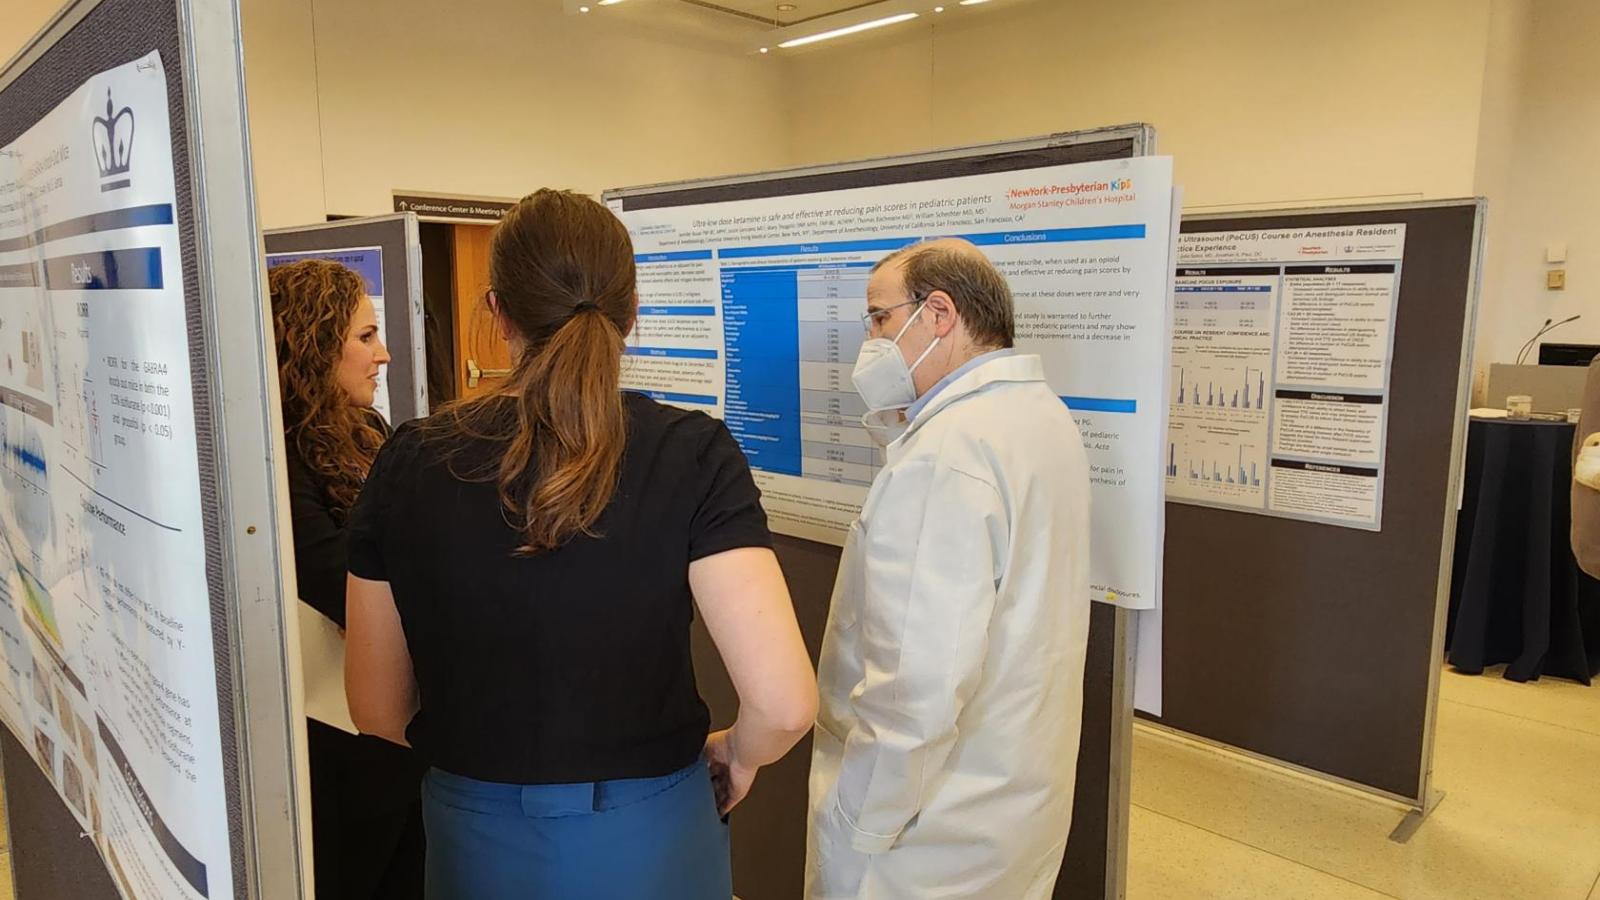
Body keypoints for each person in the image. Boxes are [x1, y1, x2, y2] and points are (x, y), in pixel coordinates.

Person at [342, 189, 817, 899]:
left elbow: (377, 709)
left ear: (496, 310)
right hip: (654, 834)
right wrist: (739, 757)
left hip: (476, 837)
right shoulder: (691, 453)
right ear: (631, 312)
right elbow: (782, 704)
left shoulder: (410, 459)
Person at [806, 239, 1092, 898]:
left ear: (938, 313)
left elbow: (916, 685)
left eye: (879, 319)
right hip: (1009, 804)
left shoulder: (947, 454)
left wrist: (856, 818)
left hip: (923, 836)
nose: (870, 341)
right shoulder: (1038, 416)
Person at [268, 259, 427, 899]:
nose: (384, 355)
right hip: (334, 742)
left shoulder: (370, 431)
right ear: (312, 342)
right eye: (364, 337)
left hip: (400, 722)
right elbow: (338, 581)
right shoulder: (275, 455)